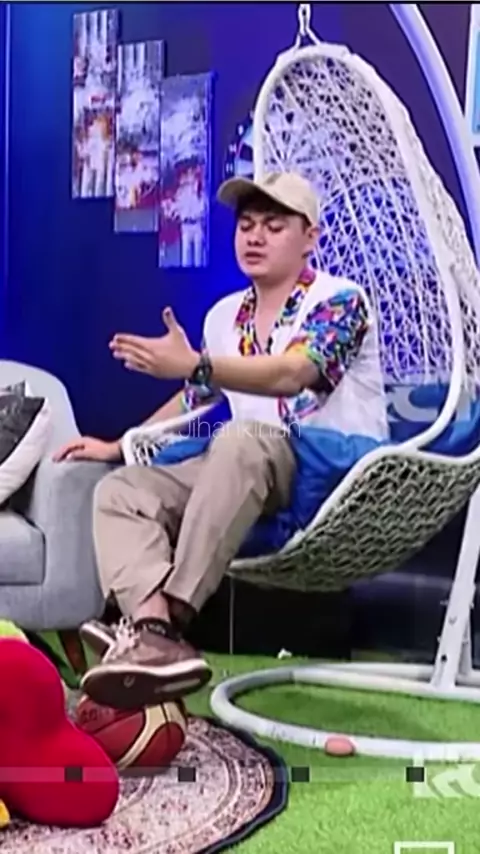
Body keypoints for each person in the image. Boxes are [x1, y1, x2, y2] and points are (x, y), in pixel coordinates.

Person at [54, 171, 388, 711]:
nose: (254, 237)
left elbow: (293, 374)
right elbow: (195, 400)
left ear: (310, 237)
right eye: (246, 225)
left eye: (273, 226)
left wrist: (196, 363)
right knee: (121, 491)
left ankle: (165, 627)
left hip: (331, 473)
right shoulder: (223, 316)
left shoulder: (341, 301)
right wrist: (118, 445)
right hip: (241, 466)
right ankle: (153, 629)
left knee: (240, 436)